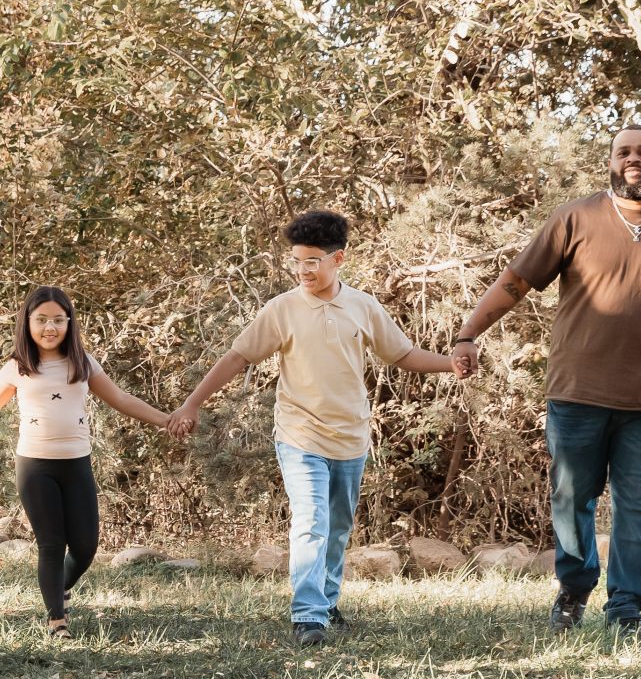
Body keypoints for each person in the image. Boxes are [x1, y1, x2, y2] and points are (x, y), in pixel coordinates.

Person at [449, 125, 641, 639]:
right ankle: (574, 592)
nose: (634, 159)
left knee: (640, 507)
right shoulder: (574, 218)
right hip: (576, 393)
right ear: (611, 162)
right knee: (571, 498)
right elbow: (517, 281)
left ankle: (626, 610)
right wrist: (469, 333)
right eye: (624, 152)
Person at [167, 209, 459, 645]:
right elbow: (238, 357)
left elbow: (402, 355)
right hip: (300, 434)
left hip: (351, 436)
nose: (302, 270)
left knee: (337, 528)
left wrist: (450, 364)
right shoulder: (282, 309)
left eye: (312, 262)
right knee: (311, 521)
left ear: (338, 259)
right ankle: (308, 616)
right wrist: (192, 403)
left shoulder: (363, 306)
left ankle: (326, 601)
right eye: (296, 261)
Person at [0, 285, 170, 634]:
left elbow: (121, 399)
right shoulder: (18, 367)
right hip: (35, 466)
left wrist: (167, 420)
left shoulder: (82, 363)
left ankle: (60, 587)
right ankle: (57, 620)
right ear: (27, 323)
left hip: (76, 464)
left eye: (58, 319)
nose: (50, 327)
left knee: (85, 546)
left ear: (69, 322)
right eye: (41, 320)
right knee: (52, 543)